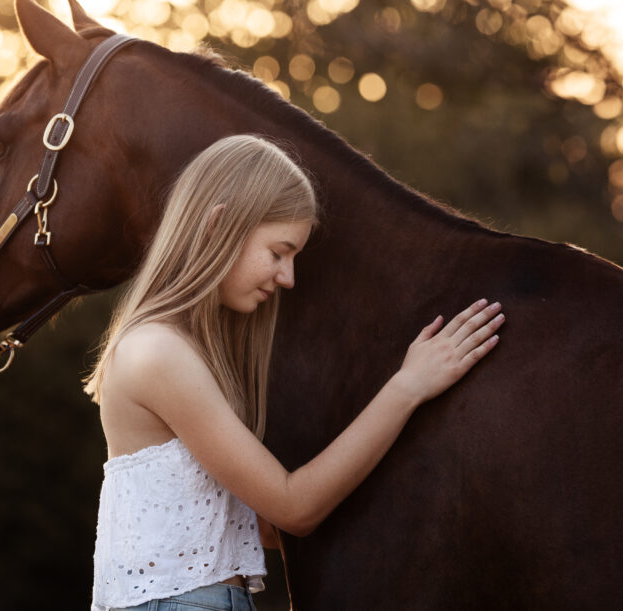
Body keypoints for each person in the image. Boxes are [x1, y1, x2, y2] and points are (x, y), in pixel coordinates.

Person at [84, 134, 504, 611]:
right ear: (220, 225)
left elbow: (264, 528)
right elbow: (292, 508)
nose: (288, 278)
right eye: (279, 252)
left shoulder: (178, 352)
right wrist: (408, 386)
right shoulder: (157, 353)